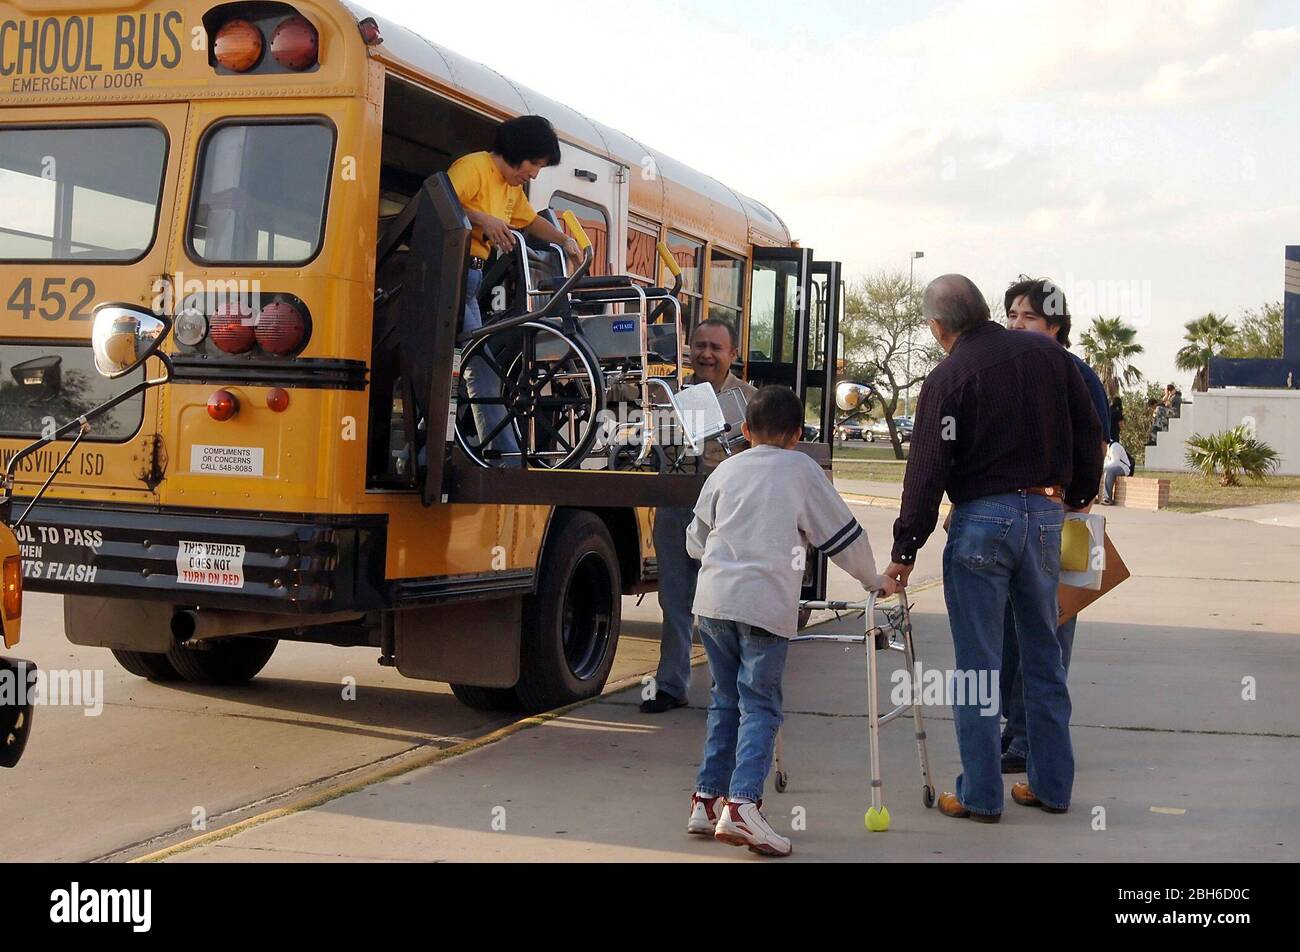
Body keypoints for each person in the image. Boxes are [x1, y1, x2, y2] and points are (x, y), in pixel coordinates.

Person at [881, 274, 1102, 822]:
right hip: (1049, 520)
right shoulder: (1051, 358)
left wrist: (905, 550)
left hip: (982, 522)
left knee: (978, 666)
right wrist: (1073, 496)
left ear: (937, 327)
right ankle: (1051, 786)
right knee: (1044, 658)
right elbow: (1088, 430)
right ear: (985, 310)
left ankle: (981, 795)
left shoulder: (947, 378)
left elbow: (927, 472)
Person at [684, 386, 897, 855]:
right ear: (797, 434)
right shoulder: (801, 469)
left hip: (714, 604)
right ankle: (742, 806)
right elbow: (840, 534)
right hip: (764, 606)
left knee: (725, 700)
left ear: (744, 431)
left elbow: (695, 541)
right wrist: (873, 579)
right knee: (760, 705)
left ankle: (706, 798)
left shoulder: (725, 470)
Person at [1001, 277, 1108, 774]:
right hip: (1013, 521)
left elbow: (1097, 449)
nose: (1016, 325)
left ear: (1056, 326)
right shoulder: (1005, 369)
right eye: (1012, 315)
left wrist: (1076, 509)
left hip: (1072, 523)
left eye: (1028, 317)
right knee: (1008, 630)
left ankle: (1032, 739)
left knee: (1051, 634)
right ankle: (1015, 727)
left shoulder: (1080, 377)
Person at [640, 318, 758, 714]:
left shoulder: (753, 400)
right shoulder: (670, 392)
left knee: (727, 603)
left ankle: (737, 690)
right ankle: (671, 685)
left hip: (727, 516)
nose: (707, 354)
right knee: (674, 600)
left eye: (716, 347)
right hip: (675, 508)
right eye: (700, 346)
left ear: (733, 354)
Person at [447, 116, 581, 463]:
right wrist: (484, 219)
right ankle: (505, 452)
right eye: (535, 164)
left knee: (472, 366)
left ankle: (450, 447)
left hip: (472, 276)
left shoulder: (510, 188)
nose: (535, 174)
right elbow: (440, 204)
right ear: (519, 152)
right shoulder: (473, 168)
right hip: (453, 273)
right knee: (480, 366)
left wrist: (565, 240)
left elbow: (530, 220)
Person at [1101, 439, 1133, 505]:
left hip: (1124, 467)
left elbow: (1115, 462)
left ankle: (1107, 498)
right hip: (1115, 467)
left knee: (1109, 471)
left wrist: (1101, 468)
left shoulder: (1114, 446)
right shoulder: (1105, 449)